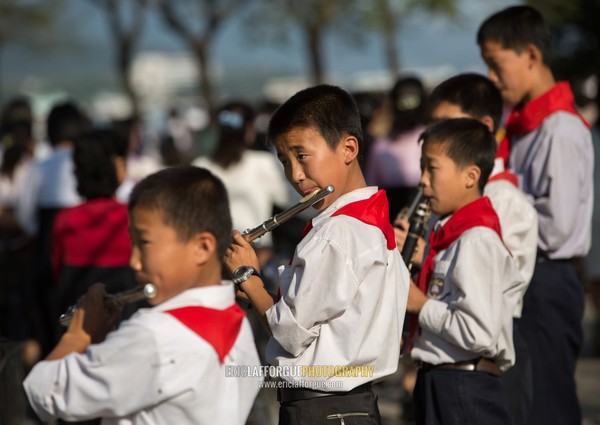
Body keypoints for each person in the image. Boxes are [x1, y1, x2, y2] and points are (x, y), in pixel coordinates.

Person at [224, 84, 410, 425]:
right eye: (285, 160)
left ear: (348, 148)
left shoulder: (338, 233)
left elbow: (289, 333)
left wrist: (248, 278)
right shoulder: (368, 222)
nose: (295, 175)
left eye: (302, 155)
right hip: (347, 406)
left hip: (324, 411)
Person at [23, 166, 262, 424]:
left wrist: (79, 334)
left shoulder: (152, 336)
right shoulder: (239, 324)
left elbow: (45, 393)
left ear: (202, 247)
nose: (135, 261)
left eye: (144, 243)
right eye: (132, 243)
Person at [477, 6, 594, 424]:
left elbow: (559, 229)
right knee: (522, 400)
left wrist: (499, 219)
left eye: (496, 64)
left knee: (547, 402)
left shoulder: (559, 129)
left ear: (530, 54)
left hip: (545, 277)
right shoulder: (523, 127)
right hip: (524, 271)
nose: (492, 77)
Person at [427, 73, 538, 425]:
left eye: (447, 125)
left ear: (485, 126)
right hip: (443, 355)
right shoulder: (443, 198)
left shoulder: (508, 202)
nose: (436, 135)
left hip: (482, 361)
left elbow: (501, 297)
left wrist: (423, 302)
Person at [406, 118, 525, 425]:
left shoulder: (477, 240)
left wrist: (419, 303)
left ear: (471, 176)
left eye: (432, 168)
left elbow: (478, 332)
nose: (423, 180)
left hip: (465, 386)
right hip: (444, 382)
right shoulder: (452, 238)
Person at [52, 128, 137, 324]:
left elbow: (57, 275)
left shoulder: (65, 220)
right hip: (127, 320)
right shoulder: (134, 217)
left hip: (79, 322)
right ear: (116, 168)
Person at [193, 101, 289, 272]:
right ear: (249, 130)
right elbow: (283, 200)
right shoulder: (263, 163)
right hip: (258, 255)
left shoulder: (200, 166)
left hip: (216, 258)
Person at [364, 76, 428, 219]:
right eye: (402, 100)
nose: (407, 105)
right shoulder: (380, 145)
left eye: (412, 99)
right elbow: (371, 187)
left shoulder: (432, 138)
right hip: (391, 220)